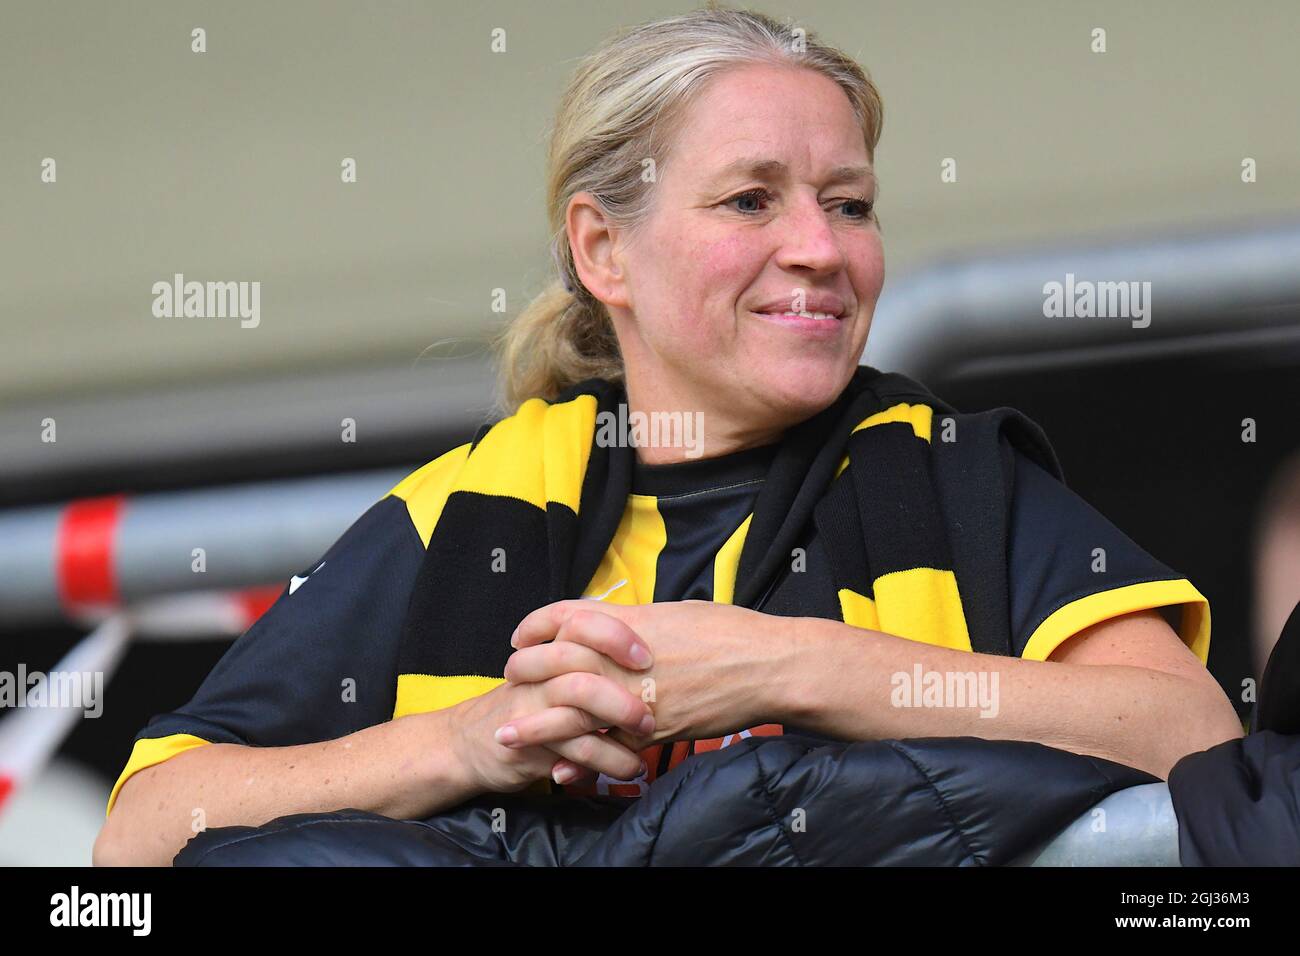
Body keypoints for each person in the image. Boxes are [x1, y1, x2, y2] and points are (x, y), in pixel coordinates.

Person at [94, 4, 1242, 867]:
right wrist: (474, 741)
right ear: (603, 252)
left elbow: (1187, 731)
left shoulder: (949, 470)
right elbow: (144, 830)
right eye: (751, 201)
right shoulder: (470, 503)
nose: (821, 248)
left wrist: (782, 665)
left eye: (848, 202)